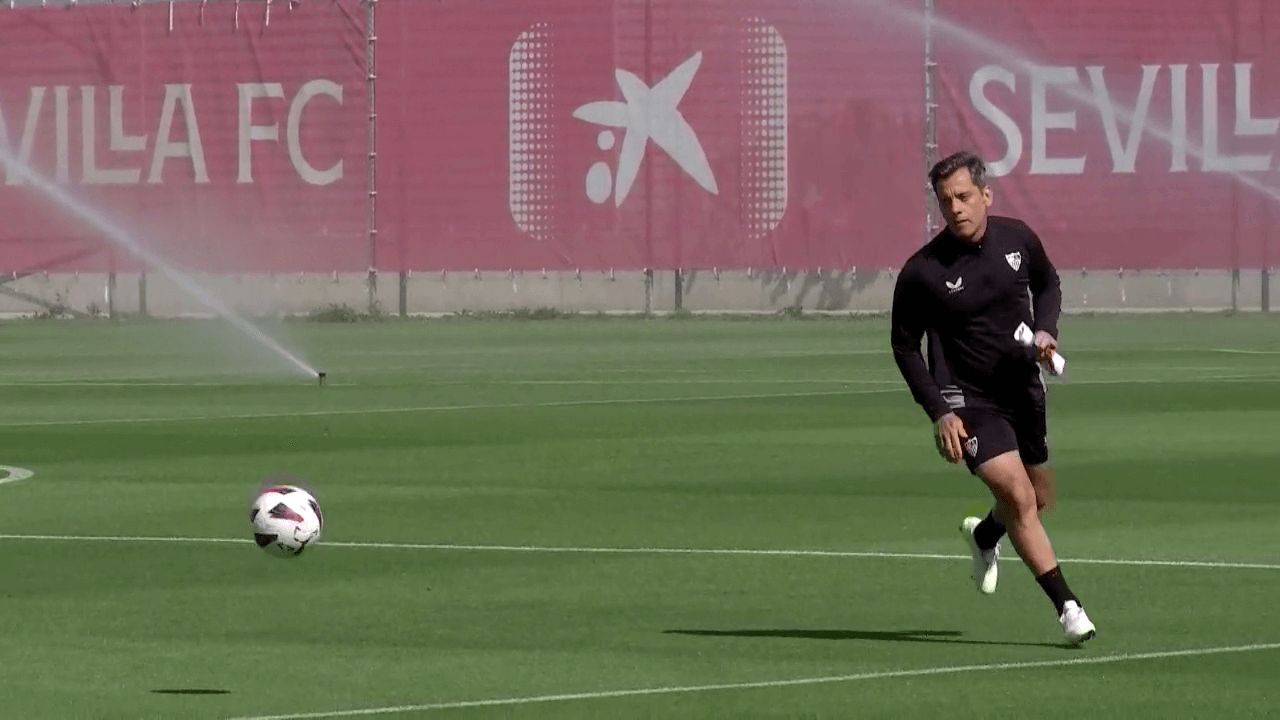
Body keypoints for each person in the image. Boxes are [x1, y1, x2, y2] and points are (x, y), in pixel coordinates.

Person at [889, 150, 1096, 645]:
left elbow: (1048, 282)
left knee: (1040, 496)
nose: (955, 207)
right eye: (945, 201)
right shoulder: (922, 271)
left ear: (985, 195)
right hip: (968, 400)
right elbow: (903, 345)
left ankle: (984, 536)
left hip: (1023, 388)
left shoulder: (1018, 238)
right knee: (1020, 496)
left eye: (963, 196)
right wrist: (940, 411)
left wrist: (1046, 331)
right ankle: (1069, 608)